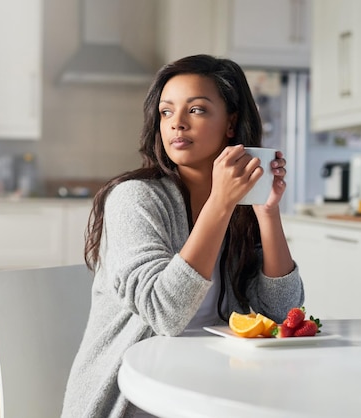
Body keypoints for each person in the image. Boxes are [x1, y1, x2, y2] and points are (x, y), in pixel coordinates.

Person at [61, 54, 304, 418]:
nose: (177, 124)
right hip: (136, 399)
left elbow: (283, 314)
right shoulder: (135, 199)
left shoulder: (240, 209)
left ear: (231, 123)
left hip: (215, 386)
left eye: (197, 110)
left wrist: (267, 213)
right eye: (166, 112)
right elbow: (166, 313)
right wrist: (219, 204)